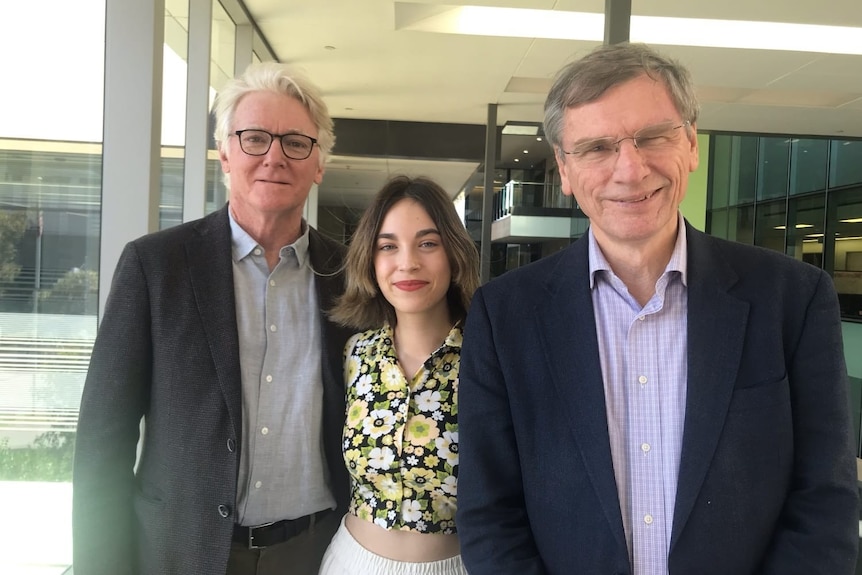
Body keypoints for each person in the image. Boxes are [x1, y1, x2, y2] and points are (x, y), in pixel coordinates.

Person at [456, 42, 859, 575]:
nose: (631, 167)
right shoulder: (504, 315)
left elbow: (824, 501)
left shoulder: (793, 298)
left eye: (652, 136)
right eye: (597, 147)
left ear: (691, 144)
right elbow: (490, 513)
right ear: (565, 169)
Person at [72, 62, 354, 575]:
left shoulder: (350, 277)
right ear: (224, 152)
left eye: (295, 142)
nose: (274, 156)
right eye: (253, 139)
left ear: (319, 164)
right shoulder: (155, 266)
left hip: (314, 554)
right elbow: (102, 438)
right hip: (180, 551)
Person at [319, 176, 480, 575]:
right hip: (350, 562)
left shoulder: (487, 358)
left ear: (454, 253)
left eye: (428, 243)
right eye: (388, 246)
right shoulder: (354, 354)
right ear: (370, 261)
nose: (407, 262)